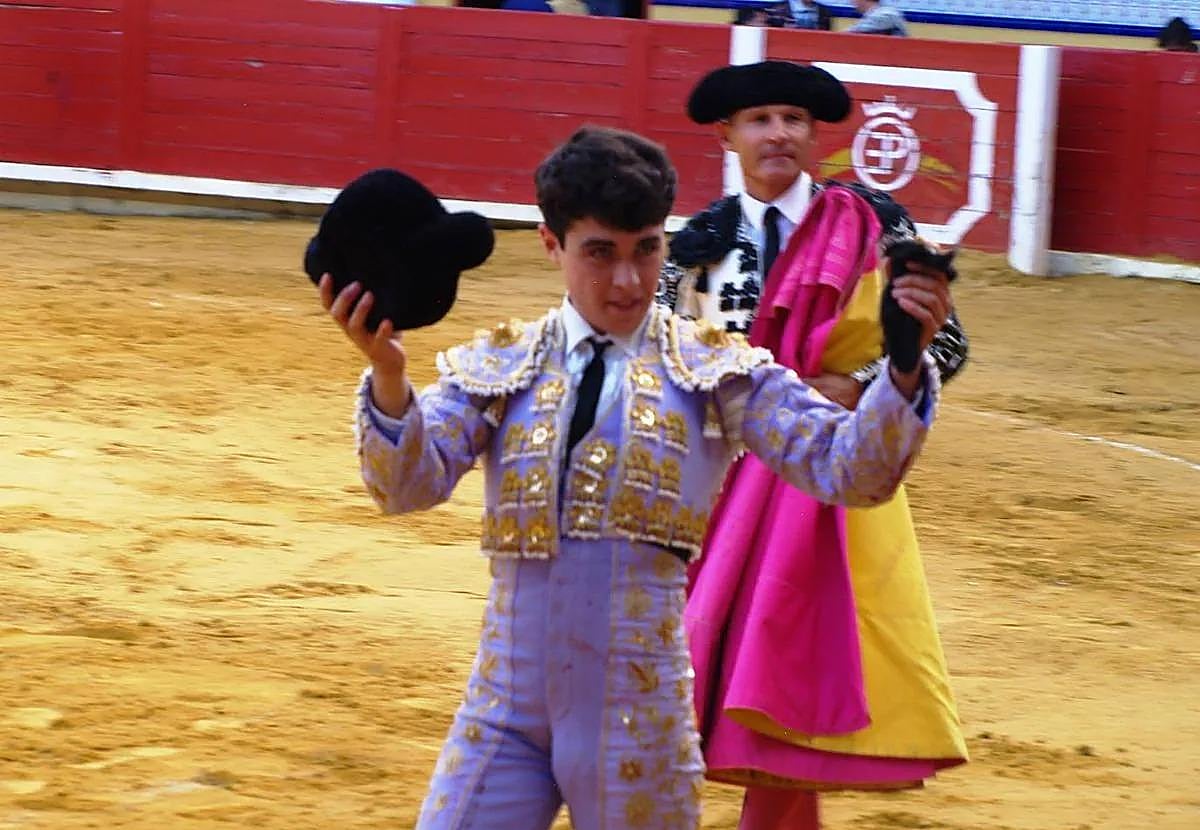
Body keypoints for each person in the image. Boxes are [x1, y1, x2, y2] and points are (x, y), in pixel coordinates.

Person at [318, 125, 954, 829]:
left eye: (645, 250)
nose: (627, 281)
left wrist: (898, 373)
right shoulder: (504, 363)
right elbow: (405, 486)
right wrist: (388, 376)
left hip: (639, 723)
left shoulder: (716, 369)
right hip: (502, 713)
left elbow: (849, 471)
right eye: (600, 253)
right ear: (552, 245)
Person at [660, 61, 968, 828]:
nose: (779, 134)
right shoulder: (694, 245)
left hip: (832, 479)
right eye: (760, 119)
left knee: (790, 664)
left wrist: (857, 384)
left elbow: (945, 345)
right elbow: (656, 365)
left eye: (794, 119)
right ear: (728, 135)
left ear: (814, 133)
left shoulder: (873, 225)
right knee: (677, 669)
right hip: (715, 480)